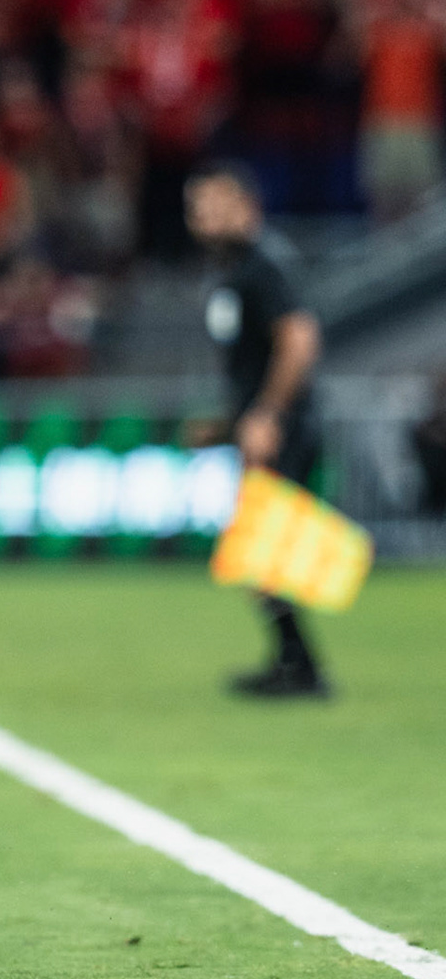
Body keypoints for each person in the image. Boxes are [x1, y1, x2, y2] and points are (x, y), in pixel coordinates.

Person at [185, 161, 329, 698]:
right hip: (265, 426)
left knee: (263, 549)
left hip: (284, 428)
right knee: (259, 551)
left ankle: (302, 667)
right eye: (195, 207)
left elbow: (299, 338)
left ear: (247, 205)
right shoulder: (234, 270)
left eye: (213, 205)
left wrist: (267, 414)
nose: (201, 217)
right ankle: (294, 661)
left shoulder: (264, 264)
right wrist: (227, 427)